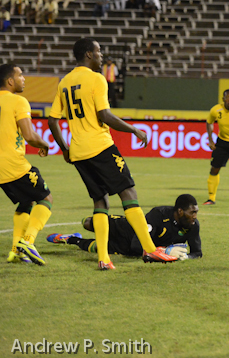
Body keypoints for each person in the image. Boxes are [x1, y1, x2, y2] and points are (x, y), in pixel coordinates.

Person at [47, 38, 177, 270]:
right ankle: (150, 249)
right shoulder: (96, 79)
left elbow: (52, 120)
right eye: (98, 51)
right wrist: (134, 129)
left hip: (79, 152)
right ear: (88, 54)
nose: (101, 55)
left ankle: (104, 258)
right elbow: (105, 115)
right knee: (128, 193)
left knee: (100, 201)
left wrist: (65, 148)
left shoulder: (64, 82)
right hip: (100, 146)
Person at [0, 64, 53, 265]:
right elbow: (29, 135)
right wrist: (45, 144)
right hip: (12, 163)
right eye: (20, 75)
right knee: (45, 199)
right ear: (10, 81)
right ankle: (28, 242)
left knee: (26, 201)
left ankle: (16, 250)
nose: (24, 79)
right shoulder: (18, 101)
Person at [48, 194, 202, 260]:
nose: (195, 216)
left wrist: (185, 257)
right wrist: (164, 252)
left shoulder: (193, 226)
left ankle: (71, 239)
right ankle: (83, 229)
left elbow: (197, 252)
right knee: (88, 223)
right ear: (180, 212)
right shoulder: (159, 215)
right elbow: (137, 244)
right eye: (192, 212)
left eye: (196, 212)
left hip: (127, 248)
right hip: (125, 228)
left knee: (98, 247)